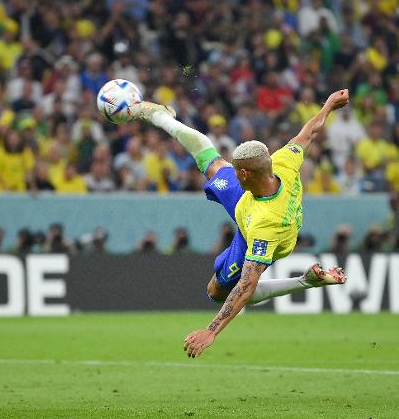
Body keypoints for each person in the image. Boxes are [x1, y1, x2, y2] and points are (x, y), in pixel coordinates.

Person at [130, 89, 350, 358]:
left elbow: (246, 287)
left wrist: (211, 330)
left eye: (235, 170)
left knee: (217, 291)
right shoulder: (283, 162)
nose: (231, 172)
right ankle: (161, 117)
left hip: (260, 227)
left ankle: (305, 281)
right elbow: (309, 133)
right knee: (209, 159)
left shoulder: (264, 228)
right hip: (250, 199)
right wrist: (328, 105)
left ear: (243, 173)